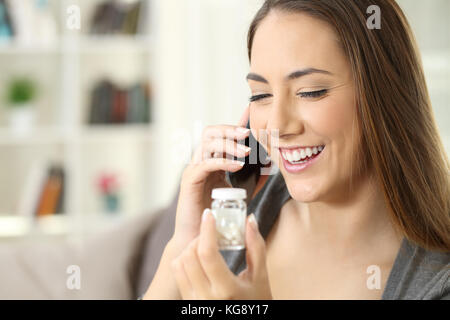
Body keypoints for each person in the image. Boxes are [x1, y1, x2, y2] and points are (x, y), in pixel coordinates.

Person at [143, 0, 450, 299]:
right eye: (261, 95)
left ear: (384, 96)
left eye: (310, 92)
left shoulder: (435, 283)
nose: (277, 125)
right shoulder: (239, 216)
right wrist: (185, 242)